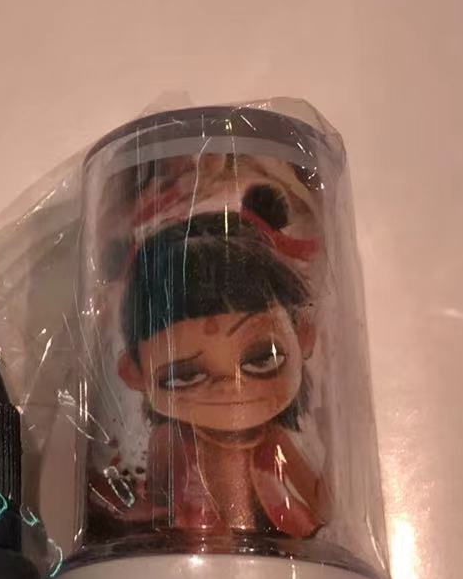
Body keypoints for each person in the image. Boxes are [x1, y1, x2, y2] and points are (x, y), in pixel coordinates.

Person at [90, 211, 330, 539]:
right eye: (184, 376)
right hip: (189, 548)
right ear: (134, 374)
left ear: (303, 336)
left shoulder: (272, 441)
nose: (231, 388)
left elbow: (320, 503)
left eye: (262, 359)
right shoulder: (169, 440)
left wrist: (337, 453)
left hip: (276, 545)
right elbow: (158, 503)